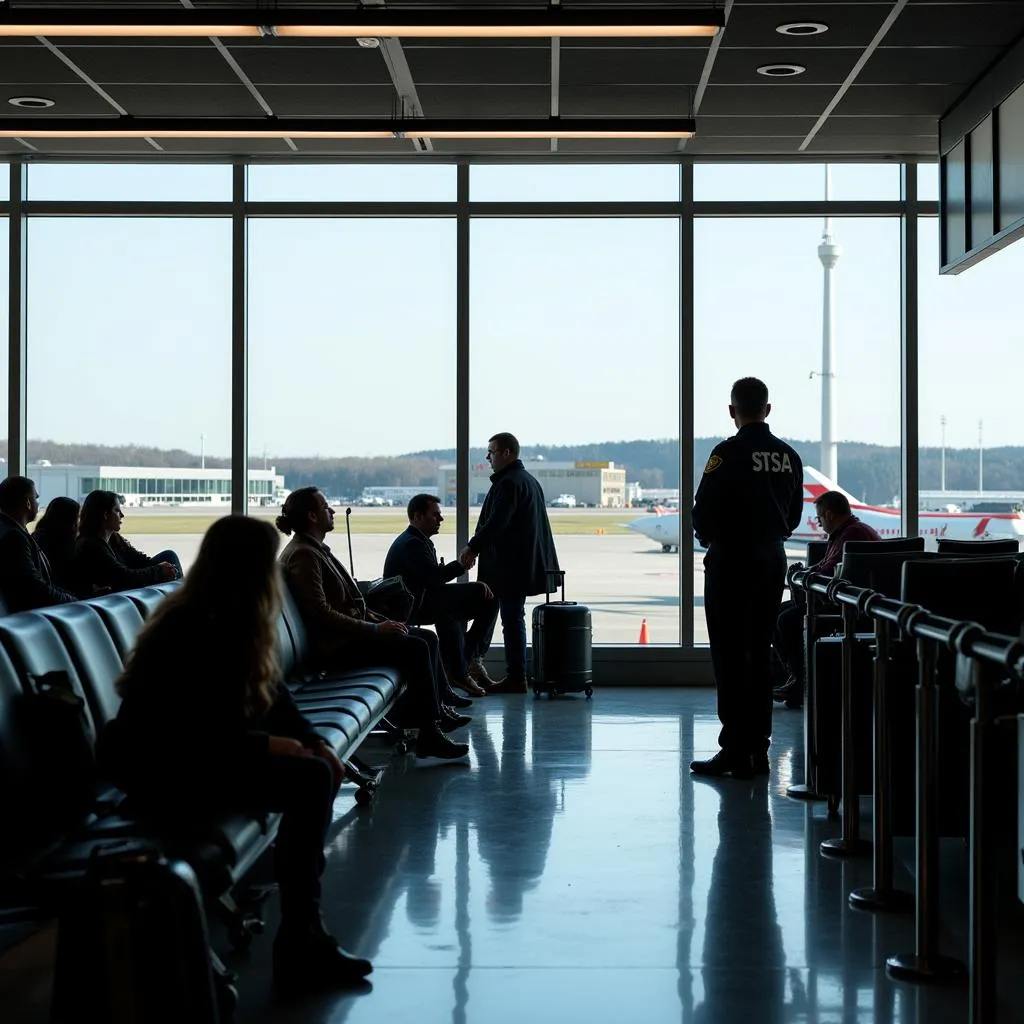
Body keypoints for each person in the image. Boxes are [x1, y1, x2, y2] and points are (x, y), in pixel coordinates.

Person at [97, 515, 373, 990]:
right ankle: (301, 939)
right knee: (308, 780)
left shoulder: (228, 616)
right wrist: (269, 745)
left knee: (314, 770)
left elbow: (270, 696)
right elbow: (180, 730)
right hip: (162, 767)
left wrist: (315, 741)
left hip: (199, 754)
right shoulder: (192, 626)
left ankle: (303, 935)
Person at [276, 487, 471, 765]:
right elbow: (320, 613)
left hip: (346, 637)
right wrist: (375, 629)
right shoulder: (305, 555)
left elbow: (348, 604)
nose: (331, 511)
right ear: (311, 516)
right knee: (416, 647)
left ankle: (433, 717)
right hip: (335, 648)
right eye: (325, 507)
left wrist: (382, 621)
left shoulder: (312, 549)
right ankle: (429, 732)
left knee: (425, 638)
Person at [690, 378, 803, 779]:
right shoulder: (789, 457)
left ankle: (735, 748)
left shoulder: (727, 453)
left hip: (731, 562)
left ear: (732, 411)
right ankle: (760, 749)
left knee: (730, 656)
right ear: (768, 410)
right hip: (771, 561)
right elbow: (793, 517)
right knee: (760, 653)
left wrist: (712, 537)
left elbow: (702, 511)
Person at [459, 433, 560, 694]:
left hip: (507, 568)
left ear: (506, 453)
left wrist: (472, 547)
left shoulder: (508, 484)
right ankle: (465, 662)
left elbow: (496, 523)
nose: (487, 457)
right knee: (496, 614)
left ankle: (513, 675)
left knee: (509, 619)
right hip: (521, 566)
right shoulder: (528, 481)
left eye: (491, 452)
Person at [772, 490, 881, 709]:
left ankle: (800, 681)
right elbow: (828, 566)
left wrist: (805, 575)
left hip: (847, 607)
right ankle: (796, 677)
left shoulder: (852, 535)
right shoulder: (849, 532)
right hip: (846, 603)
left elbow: (831, 571)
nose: (819, 523)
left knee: (786, 620)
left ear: (830, 515)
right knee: (778, 615)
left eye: (819, 517)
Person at [383, 494, 495, 698]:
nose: (441, 520)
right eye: (435, 515)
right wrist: (460, 565)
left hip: (420, 600)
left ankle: (459, 666)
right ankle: (462, 667)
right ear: (417, 516)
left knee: (454, 611)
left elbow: (430, 580)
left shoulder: (415, 540)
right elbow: (433, 578)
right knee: (484, 597)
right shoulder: (413, 544)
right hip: (413, 606)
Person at [75, 491, 179, 593]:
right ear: (106, 515)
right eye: (117, 510)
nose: (122, 515)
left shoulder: (114, 539)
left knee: (169, 557)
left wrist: (163, 568)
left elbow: (140, 561)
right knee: (169, 559)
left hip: (125, 588)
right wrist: (159, 571)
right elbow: (123, 576)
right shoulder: (91, 545)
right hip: (119, 592)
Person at [0, 476, 77, 612]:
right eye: (36, 498)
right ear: (28, 503)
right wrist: (74, 601)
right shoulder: (15, 537)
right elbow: (34, 587)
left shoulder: (10, 530)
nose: (38, 503)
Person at [32, 496, 82, 594]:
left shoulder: (41, 537)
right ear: (70, 521)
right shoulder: (49, 541)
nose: (79, 523)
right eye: (77, 518)